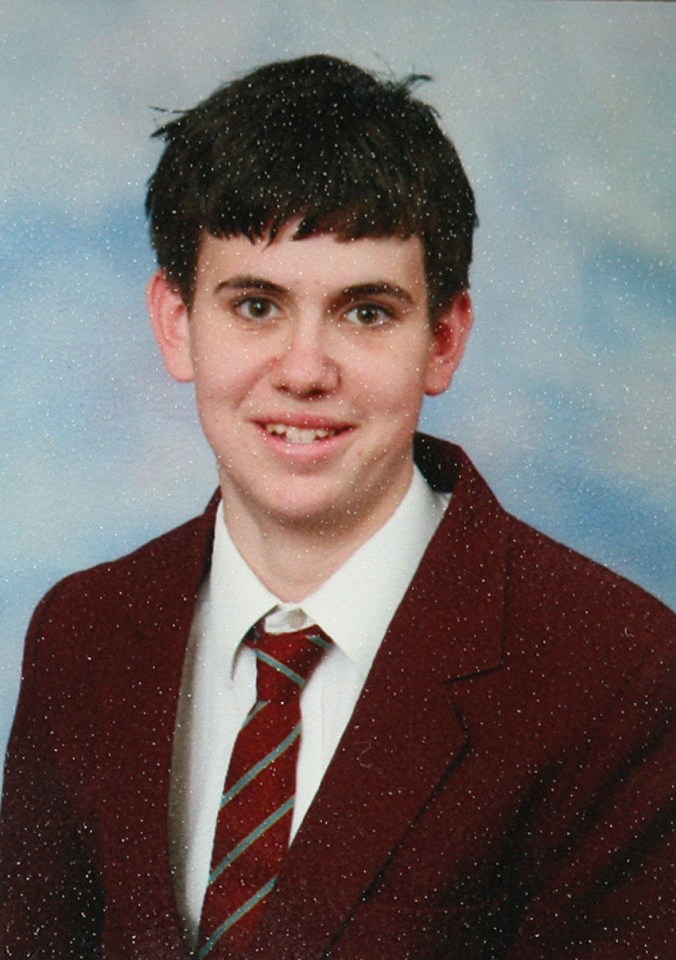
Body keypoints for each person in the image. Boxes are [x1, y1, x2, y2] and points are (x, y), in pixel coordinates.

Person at [1, 54, 673, 960]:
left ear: (443, 340)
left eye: (365, 313)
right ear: (175, 323)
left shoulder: (618, 672)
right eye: (255, 304)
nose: (305, 370)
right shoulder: (82, 634)